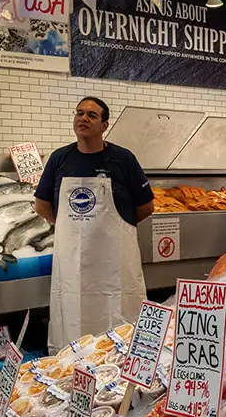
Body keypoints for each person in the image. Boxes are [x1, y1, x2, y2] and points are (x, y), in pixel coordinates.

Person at [34, 97, 155, 354]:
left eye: (91, 115)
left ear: (105, 125)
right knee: (72, 324)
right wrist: (71, 228)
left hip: (115, 265)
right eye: (79, 113)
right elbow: (42, 205)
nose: (83, 118)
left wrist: (118, 229)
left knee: (119, 324)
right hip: (72, 265)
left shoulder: (123, 159)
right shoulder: (59, 159)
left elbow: (146, 207)